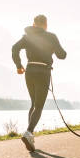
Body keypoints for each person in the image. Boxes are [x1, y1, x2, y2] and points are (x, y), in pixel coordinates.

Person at [12, 14, 66, 151]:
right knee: (39, 106)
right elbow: (62, 55)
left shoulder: (27, 36)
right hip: (43, 71)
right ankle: (29, 132)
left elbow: (14, 48)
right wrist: (53, 49)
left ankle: (29, 135)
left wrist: (19, 65)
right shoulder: (51, 36)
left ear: (34, 24)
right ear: (46, 25)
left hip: (29, 70)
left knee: (33, 104)